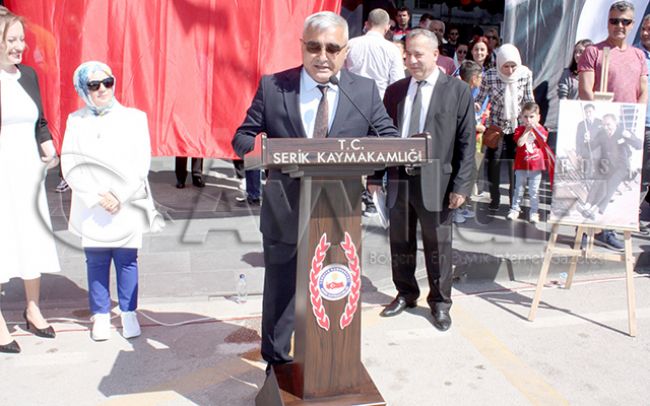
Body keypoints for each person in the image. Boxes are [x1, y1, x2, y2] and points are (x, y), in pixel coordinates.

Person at [231, 11, 398, 373]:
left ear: (345, 51)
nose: (323, 56)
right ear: (302, 47)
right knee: (282, 292)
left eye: (332, 48)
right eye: (314, 47)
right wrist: (262, 150)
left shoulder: (363, 91)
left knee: (333, 288)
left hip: (339, 213)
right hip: (284, 209)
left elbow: (388, 137)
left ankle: (329, 362)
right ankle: (277, 364)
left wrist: (371, 156)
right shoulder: (274, 86)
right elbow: (242, 136)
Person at [370, 29, 475, 331]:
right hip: (399, 179)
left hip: (437, 183)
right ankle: (405, 293)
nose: (412, 60)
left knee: (437, 246)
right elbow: (382, 136)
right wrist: (376, 175)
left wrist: (461, 186)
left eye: (418, 54)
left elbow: (467, 142)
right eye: (408, 54)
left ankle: (440, 302)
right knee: (400, 243)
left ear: (435, 54)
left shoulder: (457, 91)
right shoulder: (395, 91)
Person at [61, 61, 151, 341]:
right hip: (92, 204)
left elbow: (141, 161)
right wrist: (94, 196)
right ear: (83, 88)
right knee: (96, 260)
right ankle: (100, 314)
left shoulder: (135, 118)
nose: (102, 89)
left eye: (107, 82)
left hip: (126, 200)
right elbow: (69, 163)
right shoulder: (75, 120)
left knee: (127, 259)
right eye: (94, 85)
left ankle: (128, 312)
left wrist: (119, 195)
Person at [0, 6, 59, 354]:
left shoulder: (29, 75)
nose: (19, 46)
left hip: (28, 172)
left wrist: (48, 145)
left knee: (31, 237)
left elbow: (40, 121)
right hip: (1, 171)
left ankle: (32, 308)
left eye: (21, 39)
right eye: (11, 40)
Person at [578, 0, 648, 250]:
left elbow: (643, 90)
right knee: (594, 177)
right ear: (607, 22)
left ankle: (605, 228)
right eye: (614, 20)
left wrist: (636, 118)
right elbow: (585, 89)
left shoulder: (638, 55)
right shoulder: (593, 52)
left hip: (624, 128)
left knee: (617, 178)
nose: (619, 25)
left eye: (625, 21)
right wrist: (601, 117)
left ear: (632, 25)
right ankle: (583, 228)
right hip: (601, 127)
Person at [345, 8, 405, 216]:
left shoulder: (351, 44)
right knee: (376, 152)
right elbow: (397, 83)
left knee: (350, 151)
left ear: (367, 24)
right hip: (379, 106)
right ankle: (372, 198)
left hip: (350, 104)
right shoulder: (391, 50)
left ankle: (352, 196)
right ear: (387, 27)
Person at [476, 43, 534, 212]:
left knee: (515, 165)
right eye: (505, 66)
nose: (509, 70)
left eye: (513, 66)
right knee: (494, 163)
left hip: (517, 126)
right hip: (496, 126)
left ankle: (514, 201)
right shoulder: (490, 75)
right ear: (499, 64)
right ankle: (494, 198)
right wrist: (476, 105)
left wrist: (531, 119)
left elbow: (529, 99)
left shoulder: (525, 74)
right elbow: (480, 97)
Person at [576, 114, 642, 226]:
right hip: (606, 164)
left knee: (609, 186)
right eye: (604, 125)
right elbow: (591, 146)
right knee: (597, 182)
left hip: (621, 166)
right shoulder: (602, 133)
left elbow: (639, 145)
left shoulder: (623, 132)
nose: (606, 127)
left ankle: (596, 211)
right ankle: (587, 205)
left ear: (615, 123)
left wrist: (630, 137)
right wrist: (586, 140)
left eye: (608, 124)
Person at [507, 102, 548, 223]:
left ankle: (534, 212)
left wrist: (535, 129)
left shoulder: (541, 130)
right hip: (521, 165)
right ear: (521, 117)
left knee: (534, 191)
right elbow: (520, 143)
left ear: (538, 117)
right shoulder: (519, 129)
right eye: (525, 116)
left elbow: (542, 143)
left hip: (536, 166)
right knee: (519, 189)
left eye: (531, 116)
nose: (528, 120)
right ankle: (515, 209)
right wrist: (526, 131)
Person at [636, 14, 650, 233]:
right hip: (641, 122)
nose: (645, 33)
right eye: (644, 29)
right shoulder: (635, 55)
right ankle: (631, 215)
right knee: (639, 174)